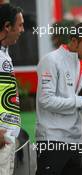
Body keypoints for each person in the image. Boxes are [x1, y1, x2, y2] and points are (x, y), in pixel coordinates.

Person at [35, 23, 82, 175]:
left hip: (75, 140)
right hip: (51, 138)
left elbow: (79, 101)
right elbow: (45, 100)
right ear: (73, 41)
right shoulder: (51, 60)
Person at [0, 3, 24, 175]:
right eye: (20, 25)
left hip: (8, 137)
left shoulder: (5, 53)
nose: (22, 30)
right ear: (7, 27)